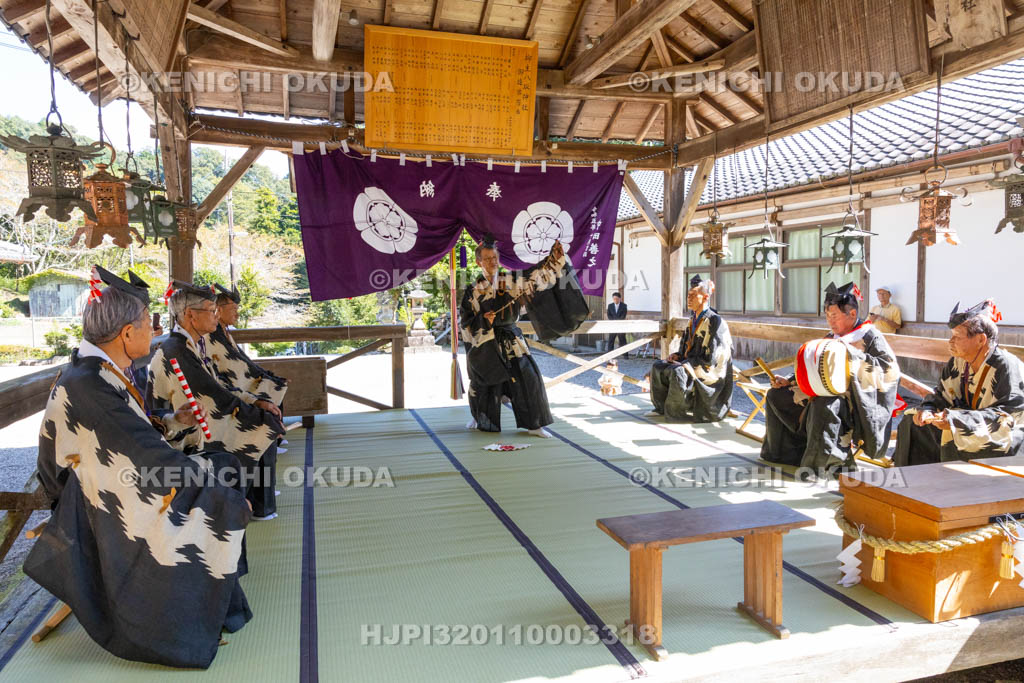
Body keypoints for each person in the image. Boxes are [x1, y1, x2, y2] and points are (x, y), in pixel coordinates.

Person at [24, 267, 252, 669]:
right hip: (92, 500)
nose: (154, 330)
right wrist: (221, 496)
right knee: (217, 486)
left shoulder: (96, 370)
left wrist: (172, 420)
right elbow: (144, 454)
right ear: (126, 333)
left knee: (223, 465)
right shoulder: (89, 383)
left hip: (114, 476)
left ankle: (216, 597)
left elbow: (133, 433)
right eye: (149, 323)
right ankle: (183, 621)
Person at [149, 281, 285, 520]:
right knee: (262, 423)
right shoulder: (176, 350)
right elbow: (212, 393)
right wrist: (252, 410)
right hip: (182, 434)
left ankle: (254, 502)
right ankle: (248, 507)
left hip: (197, 419)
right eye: (212, 311)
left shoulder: (191, 344)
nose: (216, 316)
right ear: (190, 315)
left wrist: (254, 401)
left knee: (264, 413)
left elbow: (217, 383)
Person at [762, 282, 900, 473]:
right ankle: (790, 453)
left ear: (852, 314)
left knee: (825, 404)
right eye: (827, 316)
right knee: (777, 395)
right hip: (823, 390)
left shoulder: (870, 336)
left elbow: (889, 371)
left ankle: (826, 466)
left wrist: (851, 356)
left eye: (834, 316)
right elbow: (814, 366)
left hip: (854, 399)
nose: (830, 321)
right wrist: (790, 380)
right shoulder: (832, 336)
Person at [893, 300, 1024, 465]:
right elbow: (941, 395)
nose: (950, 341)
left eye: (957, 336)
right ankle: (916, 478)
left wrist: (957, 420)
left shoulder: (1007, 367)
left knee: (956, 431)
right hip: (966, 420)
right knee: (914, 423)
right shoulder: (958, 361)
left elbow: (1009, 416)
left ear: (980, 340)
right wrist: (928, 410)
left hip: (1003, 437)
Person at [460, 237, 555, 437]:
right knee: (482, 382)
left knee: (528, 378)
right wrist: (483, 320)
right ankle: (480, 417)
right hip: (486, 341)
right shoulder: (473, 290)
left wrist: (551, 258)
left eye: (494, 257)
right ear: (479, 262)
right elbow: (466, 321)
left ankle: (534, 425)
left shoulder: (511, 281)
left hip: (511, 338)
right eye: (487, 258)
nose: (492, 262)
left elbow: (535, 280)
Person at [647, 275, 734, 422]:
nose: (689, 298)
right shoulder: (692, 319)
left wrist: (685, 363)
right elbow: (685, 348)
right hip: (691, 362)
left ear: (705, 297)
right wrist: (678, 356)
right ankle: (660, 408)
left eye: (693, 295)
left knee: (678, 371)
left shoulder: (715, 321)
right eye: (688, 295)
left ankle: (676, 414)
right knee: (658, 366)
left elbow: (714, 357)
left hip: (708, 368)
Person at [207, 283, 289, 408]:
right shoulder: (213, 335)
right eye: (233, 310)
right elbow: (235, 364)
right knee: (270, 397)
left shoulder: (224, 332)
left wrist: (268, 376)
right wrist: (268, 378)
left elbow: (242, 360)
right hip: (230, 390)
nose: (237, 315)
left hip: (239, 386)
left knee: (274, 393)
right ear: (219, 309)